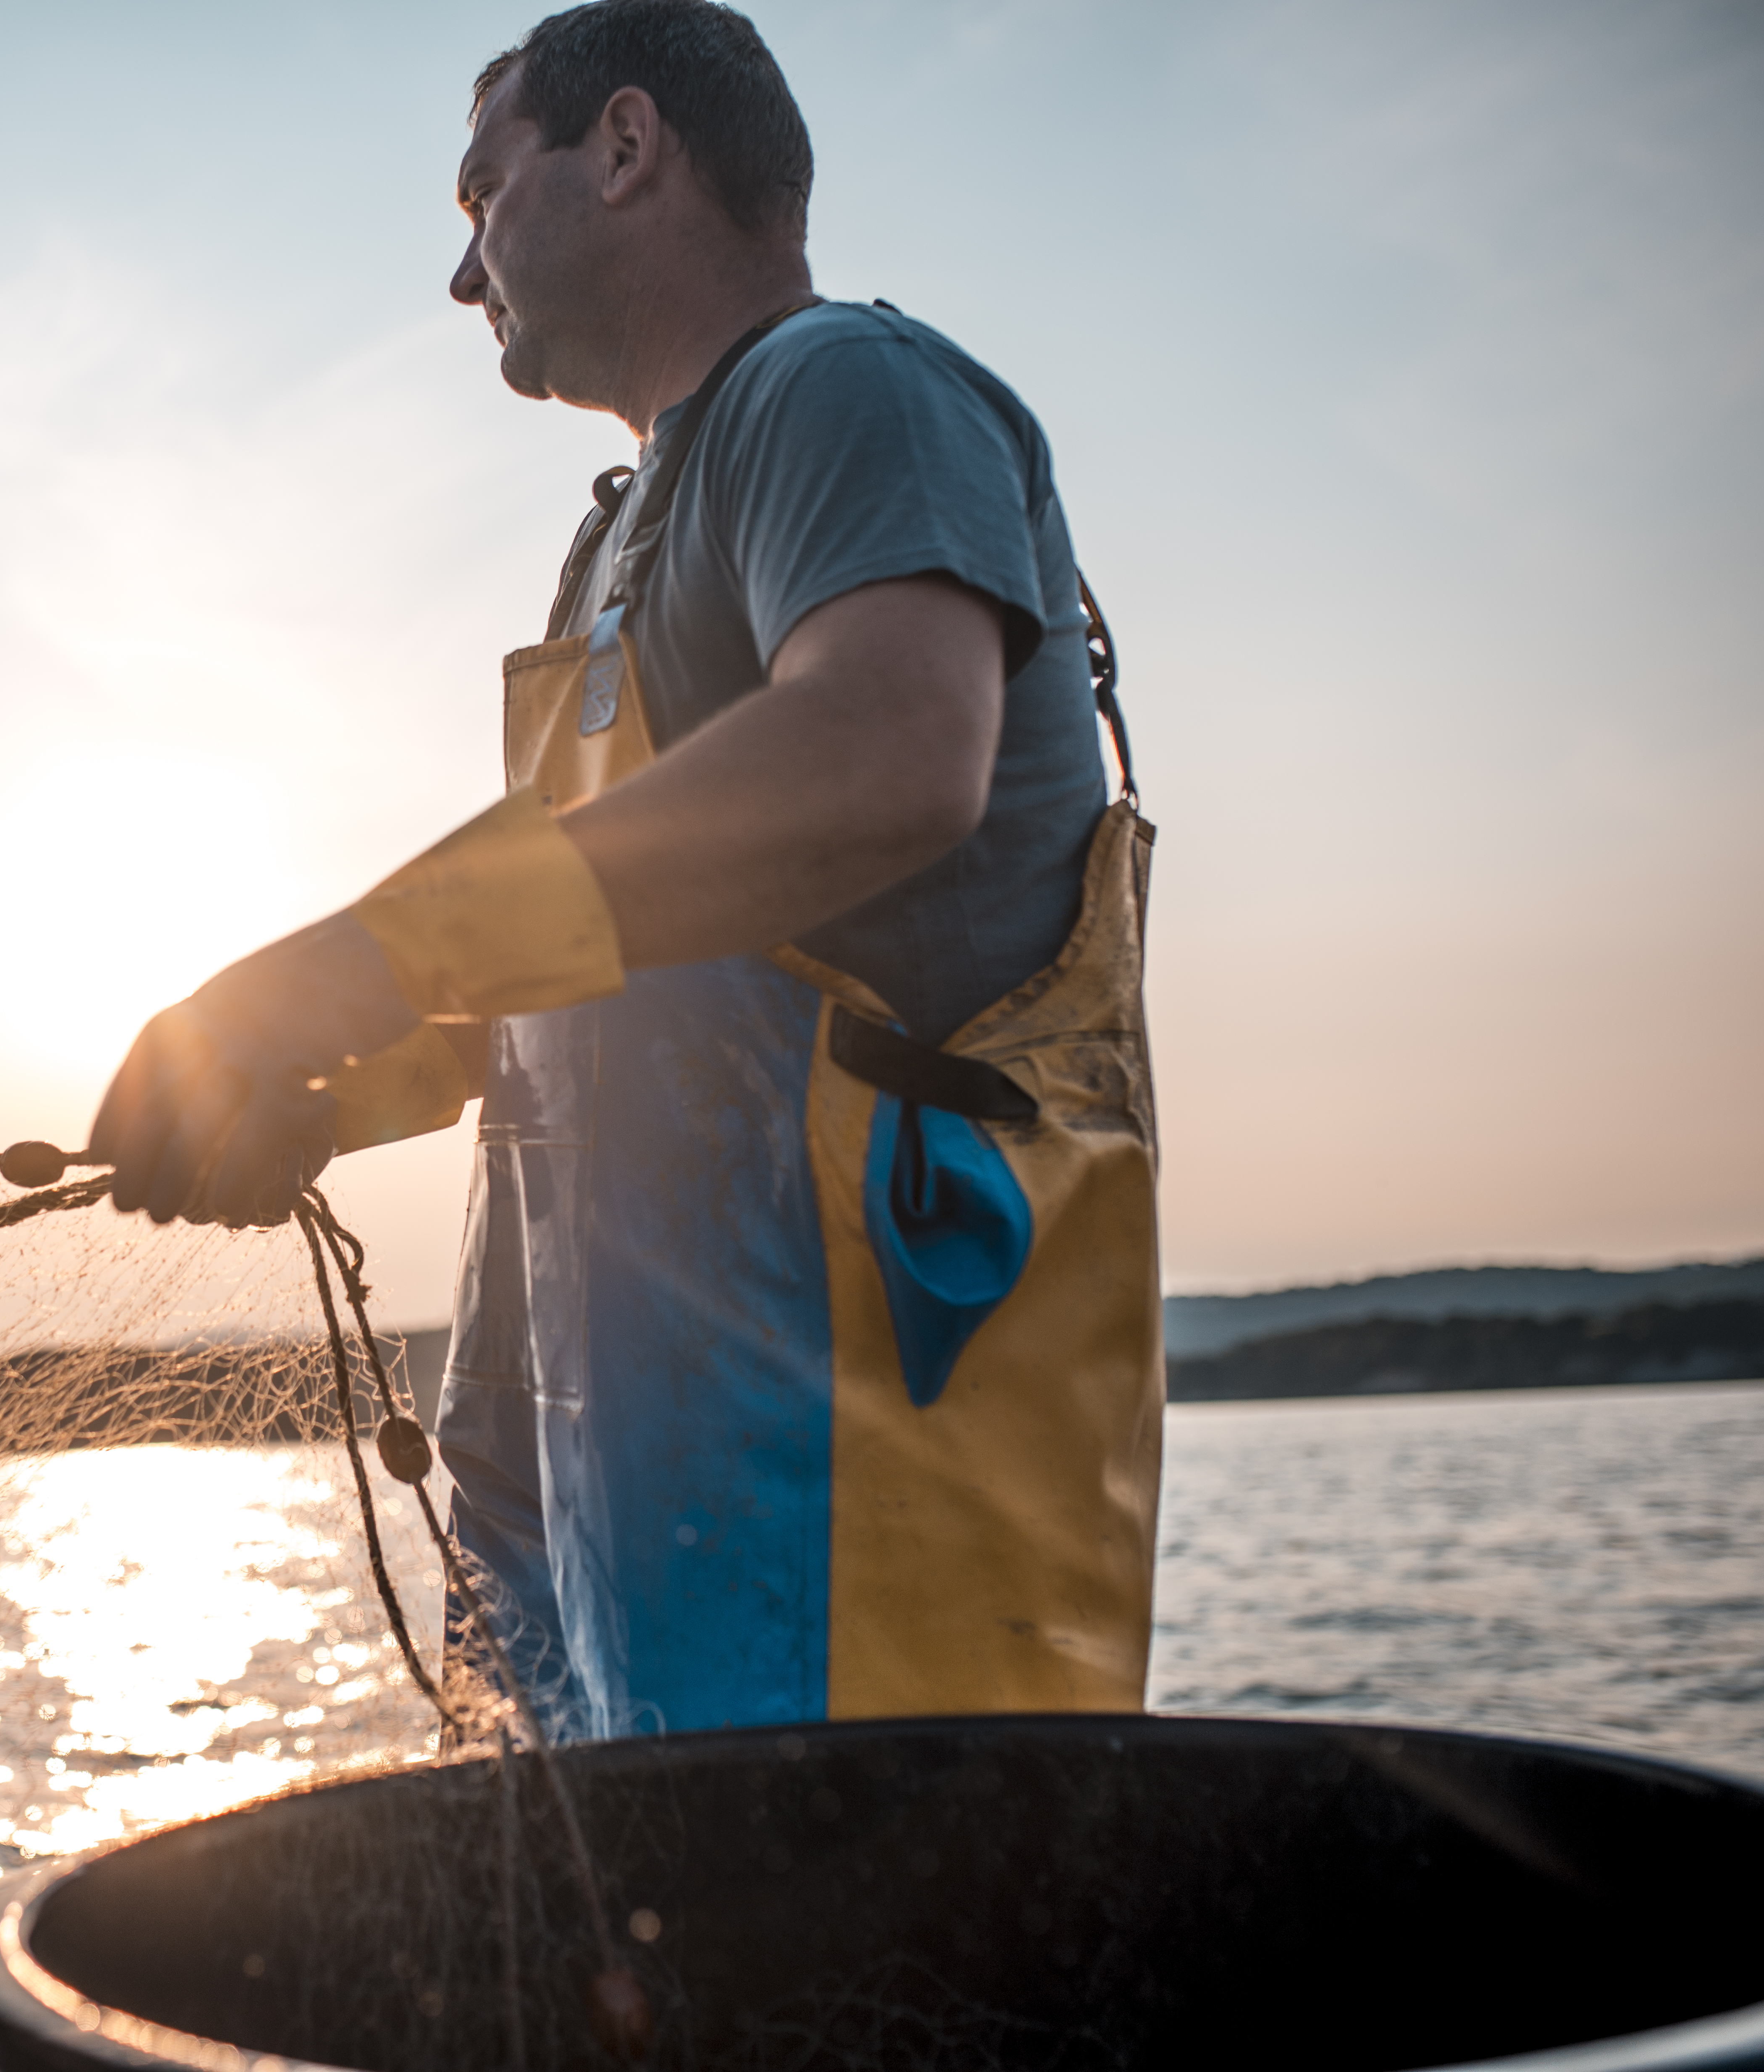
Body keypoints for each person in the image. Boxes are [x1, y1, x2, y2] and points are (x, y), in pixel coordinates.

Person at [88, 0, 1163, 1744]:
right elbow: (593, 967)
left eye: (477, 196)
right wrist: (320, 1092)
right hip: (589, 1545)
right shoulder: (609, 540)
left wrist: (336, 968)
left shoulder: (851, 389)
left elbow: (890, 758)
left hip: (851, 1541)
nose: (462, 276)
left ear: (628, 146)